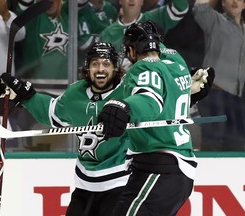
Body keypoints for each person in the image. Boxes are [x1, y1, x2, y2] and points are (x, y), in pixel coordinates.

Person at [0, 42, 131, 216]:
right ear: (88, 68)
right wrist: (24, 96)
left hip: (118, 182)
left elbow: (147, 109)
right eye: (95, 64)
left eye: (106, 64)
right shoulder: (76, 92)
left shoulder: (127, 92)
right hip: (84, 183)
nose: (100, 69)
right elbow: (52, 113)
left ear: (115, 69)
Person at [97, 21, 198, 216]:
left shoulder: (143, 68)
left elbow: (149, 100)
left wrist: (126, 108)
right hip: (172, 169)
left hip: (160, 166)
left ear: (132, 50)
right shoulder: (177, 62)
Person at [192, 0, 245, 150]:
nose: (235, 1)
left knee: (237, 144)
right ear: (222, 3)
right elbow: (199, 7)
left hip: (236, 96)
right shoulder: (215, 21)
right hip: (214, 94)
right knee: (212, 143)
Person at [99, 0, 189, 70]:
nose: (131, 0)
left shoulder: (154, 19)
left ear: (142, 1)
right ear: (120, 1)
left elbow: (180, 8)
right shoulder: (107, 34)